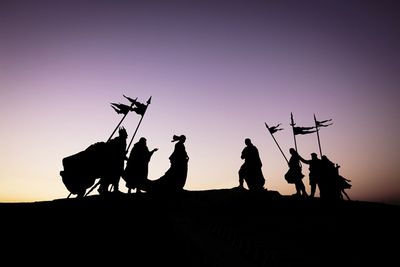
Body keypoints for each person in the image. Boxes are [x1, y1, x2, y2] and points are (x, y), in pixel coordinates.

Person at [97, 127, 128, 195]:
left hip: (119, 161)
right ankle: (104, 189)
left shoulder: (122, 140)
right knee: (111, 175)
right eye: (126, 133)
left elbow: (121, 151)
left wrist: (124, 155)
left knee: (116, 175)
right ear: (122, 134)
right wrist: (124, 154)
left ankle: (115, 189)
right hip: (114, 161)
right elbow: (117, 151)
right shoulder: (118, 140)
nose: (127, 135)